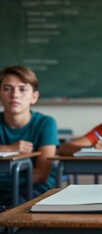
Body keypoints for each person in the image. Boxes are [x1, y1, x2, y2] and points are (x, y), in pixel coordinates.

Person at [0, 65, 59, 207]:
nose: (14, 95)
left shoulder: (46, 123)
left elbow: (41, 175)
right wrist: (8, 148)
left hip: (35, 189)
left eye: (22, 89)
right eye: (7, 88)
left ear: (34, 97)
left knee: (17, 204)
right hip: (4, 188)